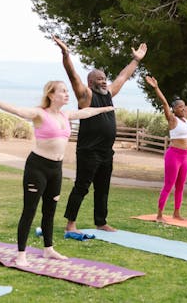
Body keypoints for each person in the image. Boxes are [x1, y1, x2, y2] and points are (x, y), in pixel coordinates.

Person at [0, 81, 114, 266]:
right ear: (51, 95)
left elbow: (86, 112)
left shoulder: (65, 115)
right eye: (63, 91)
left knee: (50, 211)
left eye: (67, 91)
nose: (67, 94)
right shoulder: (39, 113)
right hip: (37, 167)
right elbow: (18, 111)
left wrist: (106, 108)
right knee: (30, 211)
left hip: (56, 169)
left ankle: (48, 249)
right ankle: (21, 254)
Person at [51, 35, 147, 233]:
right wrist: (66, 54)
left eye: (104, 78)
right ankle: (71, 224)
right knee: (82, 187)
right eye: (99, 79)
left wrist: (136, 60)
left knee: (103, 189)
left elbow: (122, 77)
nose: (104, 82)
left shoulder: (109, 93)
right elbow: (73, 76)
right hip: (88, 151)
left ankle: (101, 222)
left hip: (106, 152)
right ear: (91, 82)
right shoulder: (86, 96)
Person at [144, 75, 187, 222]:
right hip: (173, 155)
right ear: (174, 109)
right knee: (169, 185)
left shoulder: (185, 117)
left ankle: (176, 213)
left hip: (185, 156)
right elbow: (164, 103)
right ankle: (159, 215)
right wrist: (156, 87)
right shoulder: (172, 120)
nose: (183, 108)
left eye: (183, 106)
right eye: (179, 107)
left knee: (180, 186)